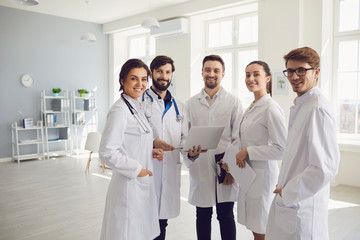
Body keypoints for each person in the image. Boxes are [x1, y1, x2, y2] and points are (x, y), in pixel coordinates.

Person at [266, 47, 340, 240]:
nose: (294, 76)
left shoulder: (318, 109)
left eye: (301, 70)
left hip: (302, 208)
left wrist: (288, 192)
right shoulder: (302, 105)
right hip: (291, 205)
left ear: (316, 72)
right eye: (290, 71)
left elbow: (325, 168)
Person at [99, 59, 164, 240]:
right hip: (128, 186)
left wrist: (149, 151)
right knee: (127, 233)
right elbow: (107, 151)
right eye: (134, 78)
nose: (140, 84)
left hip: (140, 184)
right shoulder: (120, 111)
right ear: (122, 80)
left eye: (144, 79)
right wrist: (138, 170)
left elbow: (132, 141)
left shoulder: (136, 105)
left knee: (140, 232)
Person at [184, 55, 243, 240]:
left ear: (223, 74)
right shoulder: (191, 104)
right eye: (207, 70)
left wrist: (232, 169)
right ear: (201, 72)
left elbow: (238, 138)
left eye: (216, 70)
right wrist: (190, 154)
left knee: (225, 216)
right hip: (200, 168)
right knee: (202, 216)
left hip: (225, 168)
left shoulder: (233, 102)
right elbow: (185, 137)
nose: (211, 74)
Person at [231, 61, 287, 240]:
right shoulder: (252, 106)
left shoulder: (271, 108)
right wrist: (232, 161)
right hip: (249, 174)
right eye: (247, 75)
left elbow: (281, 149)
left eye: (256, 74)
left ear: (268, 79)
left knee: (262, 227)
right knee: (255, 227)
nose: (250, 78)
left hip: (263, 178)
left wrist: (248, 151)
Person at [142, 55, 185, 240]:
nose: (164, 76)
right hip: (148, 170)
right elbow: (130, 138)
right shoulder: (140, 102)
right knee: (145, 223)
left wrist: (191, 149)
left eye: (168, 72)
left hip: (168, 171)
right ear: (151, 74)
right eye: (159, 71)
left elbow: (183, 137)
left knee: (162, 223)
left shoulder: (179, 107)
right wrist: (151, 143)